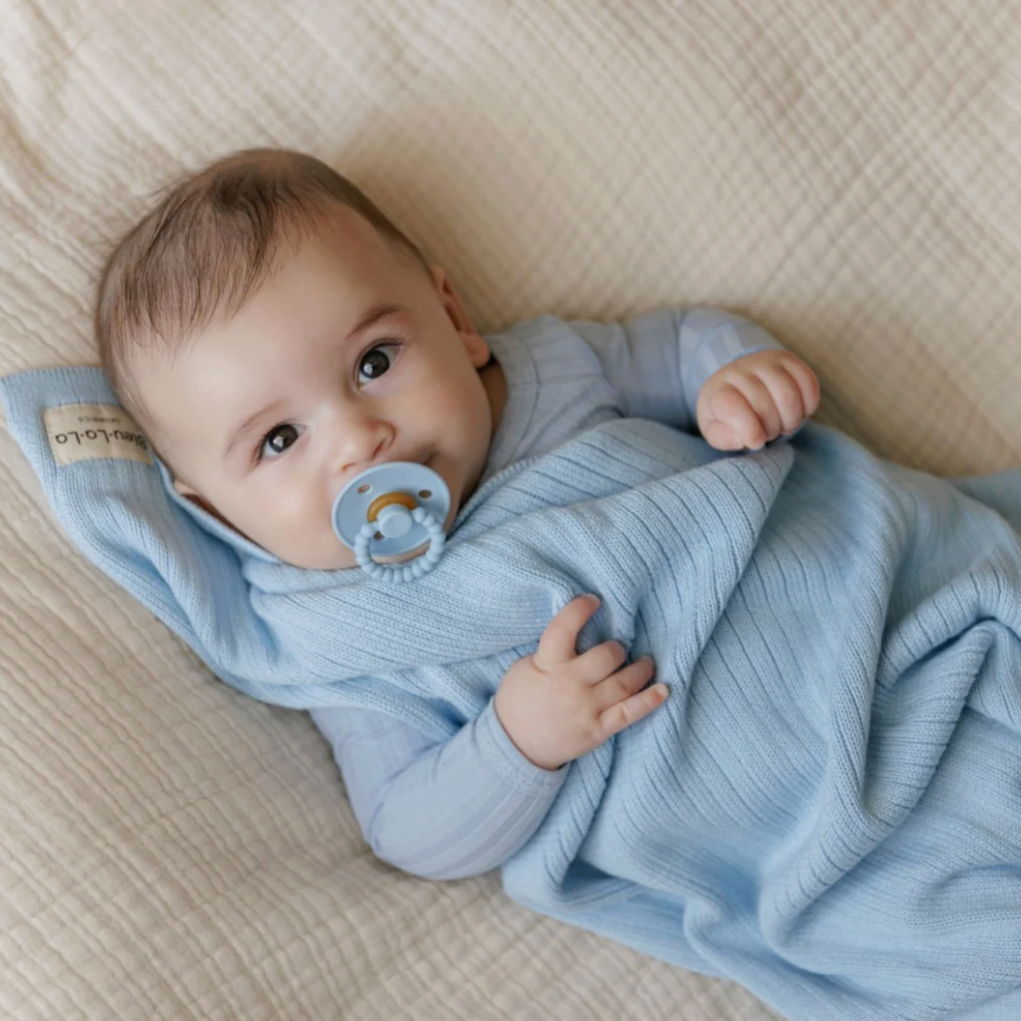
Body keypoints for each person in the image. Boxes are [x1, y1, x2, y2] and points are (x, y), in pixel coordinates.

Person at [94, 147, 819, 881]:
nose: (355, 440)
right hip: (764, 801)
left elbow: (669, 345)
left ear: (454, 318)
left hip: (829, 592)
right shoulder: (337, 632)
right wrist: (517, 742)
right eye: (279, 440)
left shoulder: (549, 370)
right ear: (217, 512)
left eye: (374, 362)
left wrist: (730, 375)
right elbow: (404, 828)